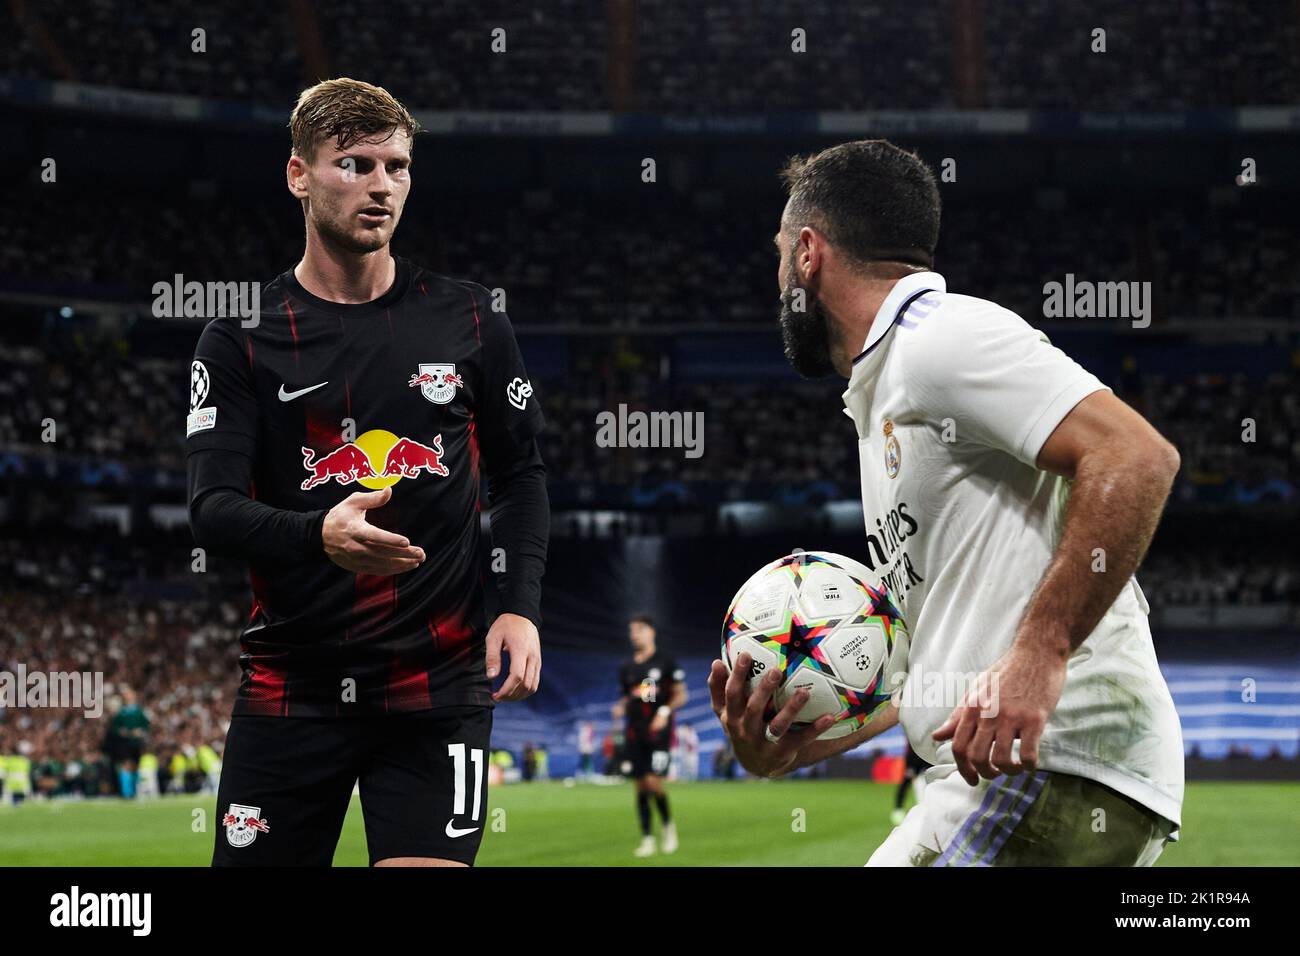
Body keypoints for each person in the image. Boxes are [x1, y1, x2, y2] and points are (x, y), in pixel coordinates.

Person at [710, 139, 1184, 867]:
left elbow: (1137, 455)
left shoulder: (938, 339)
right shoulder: (890, 389)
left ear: (808, 253)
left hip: (1050, 766)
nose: (777, 281)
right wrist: (803, 745)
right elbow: (952, 658)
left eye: (779, 256)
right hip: (1005, 772)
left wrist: (1040, 653)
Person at [186, 78, 549, 867]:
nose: (380, 185)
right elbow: (210, 509)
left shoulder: (473, 320)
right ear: (298, 175)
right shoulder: (240, 338)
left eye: (397, 166)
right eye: (353, 164)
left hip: (438, 688)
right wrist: (318, 533)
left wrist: (519, 607)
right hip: (293, 687)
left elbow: (522, 476)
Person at [612, 614, 686, 857]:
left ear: (652, 632)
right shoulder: (627, 667)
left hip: (659, 733)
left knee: (654, 782)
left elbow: (680, 695)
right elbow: (629, 695)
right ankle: (646, 838)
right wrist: (621, 706)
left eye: (640, 629)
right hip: (634, 732)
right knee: (640, 786)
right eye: (632, 630)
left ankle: (668, 827)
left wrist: (664, 711)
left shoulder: (665, 662)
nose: (635, 635)